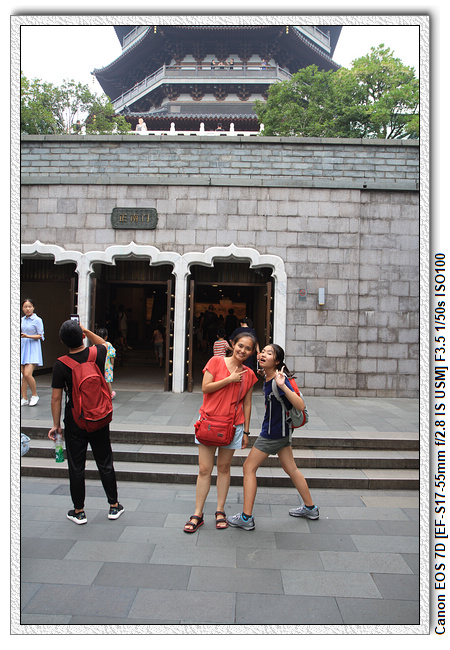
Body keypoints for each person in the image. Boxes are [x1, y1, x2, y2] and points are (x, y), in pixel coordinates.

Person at [227, 343, 318, 531]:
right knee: (291, 468)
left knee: (248, 468)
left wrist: (283, 385)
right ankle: (310, 508)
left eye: (269, 353)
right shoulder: (269, 377)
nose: (263, 354)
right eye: (263, 352)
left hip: (272, 433)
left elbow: (300, 405)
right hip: (282, 432)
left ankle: (246, 517)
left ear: (277, 361)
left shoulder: (279, 380)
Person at [48, 320, 124, 525]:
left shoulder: (61, 364)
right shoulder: (97, 353)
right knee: (105, 461)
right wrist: (86, 330)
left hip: (75, 420)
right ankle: (114, 505)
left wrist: (56, 425)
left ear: (62, 341)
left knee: (76, 466)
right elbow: (105, 344)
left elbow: (56, 398)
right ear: (82, 336)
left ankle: (79, 511)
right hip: (99, 417)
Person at [183, 331, 258, 533]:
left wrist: (246, 432)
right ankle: (197, 513)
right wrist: (229, 379)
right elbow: (205, 388)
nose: (243, 351)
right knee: (204, 469)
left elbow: (247, 404)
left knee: (224, 468)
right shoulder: (216, 362)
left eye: (248, 348)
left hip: (233, 425)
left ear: (252, 352)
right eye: (240, 346)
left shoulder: (249, 375)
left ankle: (220, 510)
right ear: (232, 344)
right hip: (209, 422)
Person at [21, 299, 45, 406]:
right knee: (23, 375)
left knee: (27, 374)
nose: (27, 309)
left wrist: (27, 336)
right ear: (22, 308)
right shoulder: (21, 320)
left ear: (33, 308)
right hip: (23, 348)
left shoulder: (37, 320)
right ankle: (24, 397)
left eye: (29, 306)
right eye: (25, 307)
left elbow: (41, 336)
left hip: (33, 348)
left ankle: (34, 395)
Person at [97, 328, 116, 399]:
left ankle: (99, 394)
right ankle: (110, 394)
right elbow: (112, 355)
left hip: (98, 365)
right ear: (106, 337)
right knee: (107, 381)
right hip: (107, 365)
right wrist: (112, 364)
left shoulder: (95, 344)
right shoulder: (108, 344)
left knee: (98, 380)